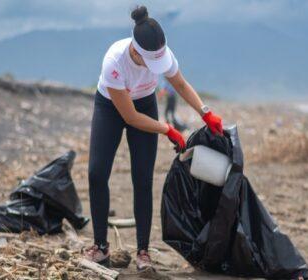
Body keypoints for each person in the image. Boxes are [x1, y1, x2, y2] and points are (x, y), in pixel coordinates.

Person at [84, 6, 223, 270]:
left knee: (143, 178)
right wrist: (167, 129)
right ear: (135, 52)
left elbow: (180, 84)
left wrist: (206, 113)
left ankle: (143, 252)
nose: (157, 68)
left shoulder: (162, 53)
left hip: (146, 104)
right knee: (96, 173)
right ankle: (101, 247)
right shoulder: (115, 62)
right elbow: (131, 118)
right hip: (112, 109)